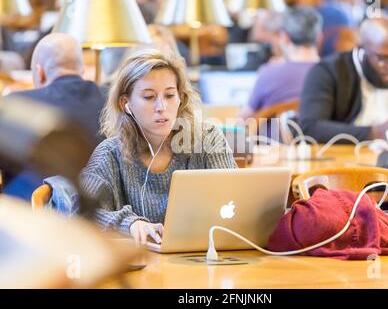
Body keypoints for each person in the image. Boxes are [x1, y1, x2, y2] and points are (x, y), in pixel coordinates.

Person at [80, 51, 237, 245]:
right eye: (149, 97)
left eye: (170, 95)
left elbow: (234, 200)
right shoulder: (110, 154)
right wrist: (129, 223)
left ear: (181, 98)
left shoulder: (208, 139)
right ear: (126, 104)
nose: (161, 106)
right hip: (141, 269)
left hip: (204, 260)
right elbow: (82, 213)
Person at [3, 33, 105, 200]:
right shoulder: (113, 102)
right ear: (82, 70)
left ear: (40, 73)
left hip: (30, 214)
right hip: (98, 214)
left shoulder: (15, 106)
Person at [299, 15, 388, 143]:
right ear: (362, 49)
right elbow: (310, 127)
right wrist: (373, 132)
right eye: (381, 58)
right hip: (346, 160)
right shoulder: (328, 71)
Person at [239, 6, 322, 120]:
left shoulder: (269, 73)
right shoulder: (334, 74)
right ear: (319, 37)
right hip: (323, 138)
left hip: (272, 138)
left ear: (285, 37)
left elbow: (243, 120)